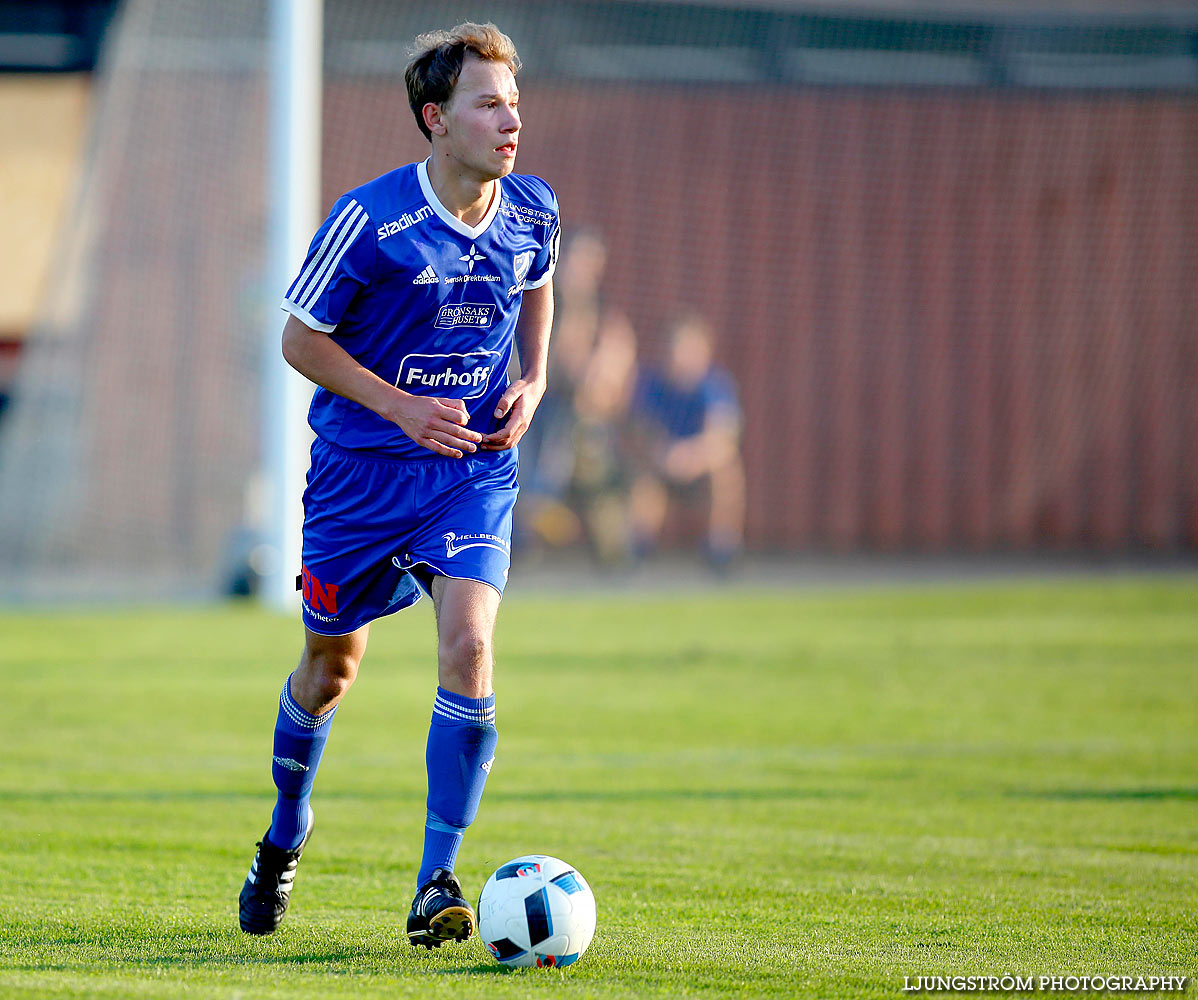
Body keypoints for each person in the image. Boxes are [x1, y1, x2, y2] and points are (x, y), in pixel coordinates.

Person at [237, 23, 559, 950]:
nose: (511, 121)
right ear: (435, 119)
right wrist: (401, 407)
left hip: (469, 473)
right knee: (331, 671)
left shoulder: (531, 209)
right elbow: (300, 340)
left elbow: (539, 283)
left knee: (468, 646)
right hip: (357, 480)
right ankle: (287, 830)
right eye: (489, 104)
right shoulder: (370, 220)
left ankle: (436, 881)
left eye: (515, 102)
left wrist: (532, 379)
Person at [630, 314, 744, 570]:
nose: (678, 356)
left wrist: (688, 456)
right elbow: (639, 431)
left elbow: (722, 436)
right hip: (660, 465)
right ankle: (638, 547)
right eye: (674, 348)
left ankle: (721, 547)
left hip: (699, 469)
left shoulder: (715, 385)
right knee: (643, 477)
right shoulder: (652, 384)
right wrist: (661, 453)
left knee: (726, 469)